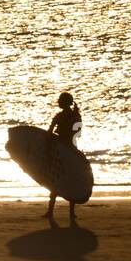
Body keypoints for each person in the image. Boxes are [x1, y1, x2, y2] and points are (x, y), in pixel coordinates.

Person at [45, 91, 83, 223]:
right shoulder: (76, 115)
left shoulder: (59, 116)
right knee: (70, 179)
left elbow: (49, 134)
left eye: (60, 100)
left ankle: (50, 211)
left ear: (64, 103)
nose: (58, 102)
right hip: (72, 150)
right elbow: (78, 134)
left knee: (55, 178)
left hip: (59, 151)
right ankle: (71, 213)